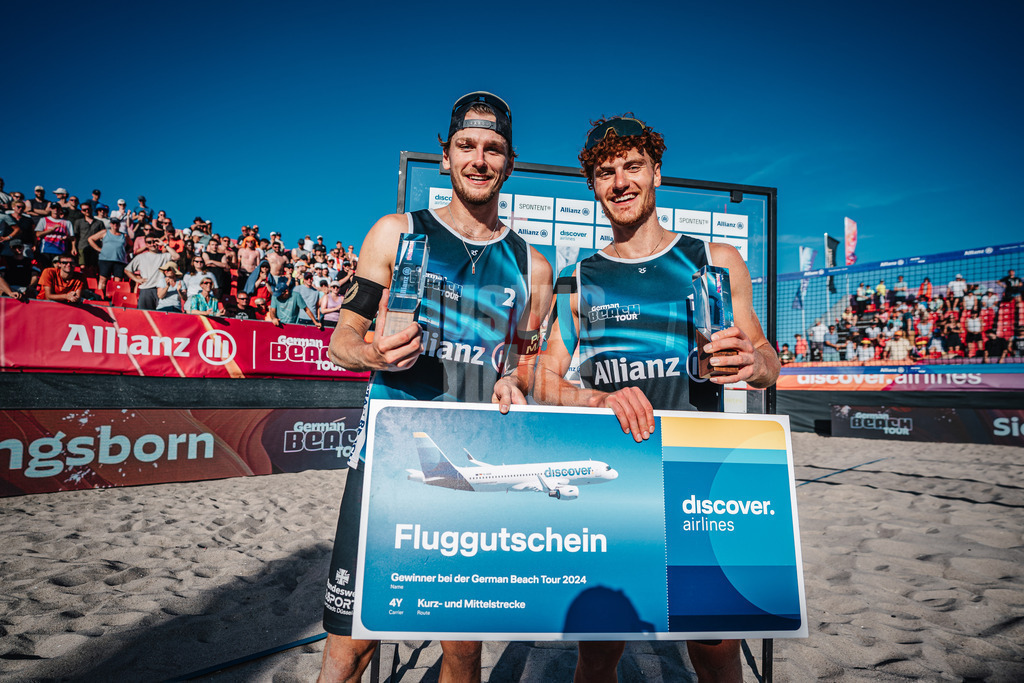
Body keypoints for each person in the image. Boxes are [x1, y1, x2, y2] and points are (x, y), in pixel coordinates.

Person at [533, 114, 778, 683]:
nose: (620, 182)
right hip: (615, 475)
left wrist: (752, 362)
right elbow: (540, 378)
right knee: (599, 649)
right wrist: (594, 400)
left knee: (714, 645)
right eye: (604, 172)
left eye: (632, 167)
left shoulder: (714, 260)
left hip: (698, 474)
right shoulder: (576, 279)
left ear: (657, 174)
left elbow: (768, 359)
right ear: (592, 186)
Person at [317, 91, 552, 683]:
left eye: (493, 149)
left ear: (509, 161)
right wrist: (373, 350)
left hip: (474, 473)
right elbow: (340, 343)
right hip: (387, 465)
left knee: (463, 650)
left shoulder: (534, 266)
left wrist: (516, 382)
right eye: (466, 146)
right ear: (444, 157)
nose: (479, 159)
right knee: (350, 649)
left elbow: (522, 363)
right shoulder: (397, 233)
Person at [125, 234, 176, 310]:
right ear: (146, 244)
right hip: (146, 290)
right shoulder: (140, 257)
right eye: (149, 242)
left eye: (154, 241)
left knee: (160, 317)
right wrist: (137, 279)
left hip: (161, 290)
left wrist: (164, 244)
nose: (152, 244)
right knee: (144, 316)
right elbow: (127, 270)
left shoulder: (164, 256)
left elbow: (176, 256)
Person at [88, 216, 130, 297]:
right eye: (113, 223)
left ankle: (115, 298)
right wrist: (98, 249)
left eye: (117, 223)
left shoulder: (124, 236)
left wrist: (127, 252)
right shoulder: (105, 232)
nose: (115, 225)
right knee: (103, 279)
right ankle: (99, 297)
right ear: (110, 224)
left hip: (119, 261)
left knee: (118, 281)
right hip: (105, 259)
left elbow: (131, 245)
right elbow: (90, 239)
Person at [35, 203, 75, 269]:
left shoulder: (67, 222)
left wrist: (67, 238)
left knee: (58, 271)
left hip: (61, 251)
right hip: (46, 249)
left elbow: (72, 237)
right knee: (46, 270)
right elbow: (38, 234)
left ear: (60, 210)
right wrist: (52, 230)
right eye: (53, 208)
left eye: (57, 208)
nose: (55, 210)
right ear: (50, 209)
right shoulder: (44, 220)